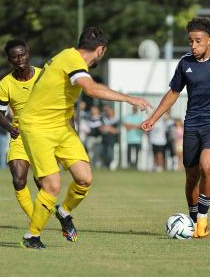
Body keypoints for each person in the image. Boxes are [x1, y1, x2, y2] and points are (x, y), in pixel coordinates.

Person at [18, 27, 151, 249]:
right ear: (100, 50)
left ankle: (64, 212)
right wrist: (129, 99)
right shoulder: (72, 60)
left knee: (84, 178)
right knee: (52, 186)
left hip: (61, 126)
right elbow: (90, 89)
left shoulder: (69, 57)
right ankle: (31, 237)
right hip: (37, 126)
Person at [142, 17, 210, 238]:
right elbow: (173, 93)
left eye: (198, 41)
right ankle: (192, 221)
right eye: (190, 41)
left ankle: (202, 220)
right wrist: (154, 118)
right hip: (192, 124)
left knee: (205, 165)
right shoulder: (185, 64)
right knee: (191, 176)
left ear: (209, 40)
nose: (193, 46)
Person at [0, 39, 42, 218]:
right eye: (14, 57)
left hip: (43, 134)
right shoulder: (4, 84)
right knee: (18, 179)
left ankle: (53, 213)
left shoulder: (43, 75)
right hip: (20, 135)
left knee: (43, 183)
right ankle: (35, 219)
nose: (19, 59)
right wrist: (9, 128)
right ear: (9, 60)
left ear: (28, 54)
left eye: (22, 55)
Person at [124, 105, 143, 169]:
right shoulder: (128, 116)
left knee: (137, 154)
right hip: (129, 139)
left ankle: (136, 166)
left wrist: (132, 126)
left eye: (135, 108)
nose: (134, 109)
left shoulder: (140, 116)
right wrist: (137, 126)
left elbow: (141, 127)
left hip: (138, 139)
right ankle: (129, 166)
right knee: (129, 154)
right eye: (133, 108)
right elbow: (127, 127)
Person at [100, 105, 119, 169]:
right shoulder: (104, 119)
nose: (108, 112)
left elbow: (117, 131)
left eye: (109, 111)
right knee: (102, 153)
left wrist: (108, 128)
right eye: (107, 111)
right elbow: (101, 128)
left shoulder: (116, 120)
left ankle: (110, 166)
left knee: (110, 153)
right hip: (104, 140)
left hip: (112, 140)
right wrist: (107, 128)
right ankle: (106, 165)